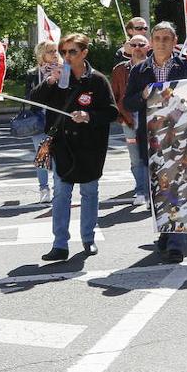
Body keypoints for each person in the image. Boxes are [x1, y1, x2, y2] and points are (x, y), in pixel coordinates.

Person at [31, 33, 118, 262]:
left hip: (90, 147)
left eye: (73, 52)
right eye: (64, 52)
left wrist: (88, 116)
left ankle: (88, 239)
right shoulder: (58, 77)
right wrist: (50, 81)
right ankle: (60, 244)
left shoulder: (97, 80)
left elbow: (111, 112)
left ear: (84, 53)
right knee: (61, 193)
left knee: (89, 192)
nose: (67, 56)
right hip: (62, 145)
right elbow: (33, 101)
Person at [124, 22, 187, 262]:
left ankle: (177, 242)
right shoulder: (139, 71)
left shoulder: (186, 67)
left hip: (179, 137)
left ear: (174, 41)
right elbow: (128, 103)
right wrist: (143, 96)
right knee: (159, 190)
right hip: (151, 139)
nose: (161, 43)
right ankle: (167, 232)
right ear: (151, 41)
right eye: (157, 38)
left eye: (166, 38)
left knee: (178, 188)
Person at [110, 34, 150, 206]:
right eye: (134, 44)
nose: (137, 48)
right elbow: (114, 96)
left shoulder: (154, 67)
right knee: (136, 159)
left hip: (151, 120)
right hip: (129, 122)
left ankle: (151, 192)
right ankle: (140, 191)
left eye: (141, 44)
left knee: (152, 158)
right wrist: (121, 118)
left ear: (148, 46)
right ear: (128, 48)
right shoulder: (120, 70)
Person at [24, 40, 62, 204]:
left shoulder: (63, 69)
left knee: (60, 156)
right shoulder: (33, 73)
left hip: (59, 120)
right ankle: (44, 188)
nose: (54, 54)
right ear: (41, 54)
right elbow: (29, 97)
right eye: (50, 51)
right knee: (42, 155)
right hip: (40, 120)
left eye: (55, 50)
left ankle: (59, 190)